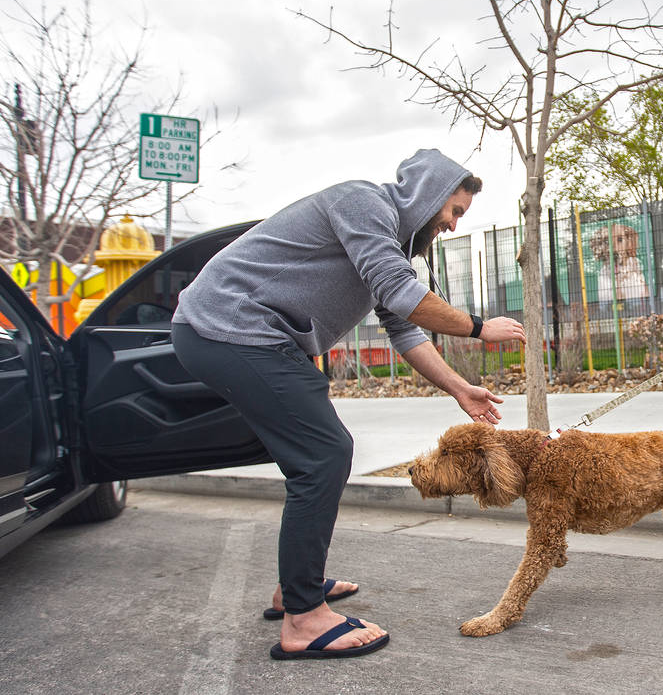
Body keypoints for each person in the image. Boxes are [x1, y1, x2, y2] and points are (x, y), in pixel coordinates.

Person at [171, 149, 526, 659]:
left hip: (246, 337)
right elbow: (400, 294)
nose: (451, 225)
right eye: (454, 211)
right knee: (324, 455)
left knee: (316, 459)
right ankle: (303, 621)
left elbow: (403, 328)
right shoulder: (364, 204)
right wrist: (477, 327)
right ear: (428, 193)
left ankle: (298, 587)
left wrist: (458, 387)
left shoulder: (386, 244)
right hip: (232, 329)